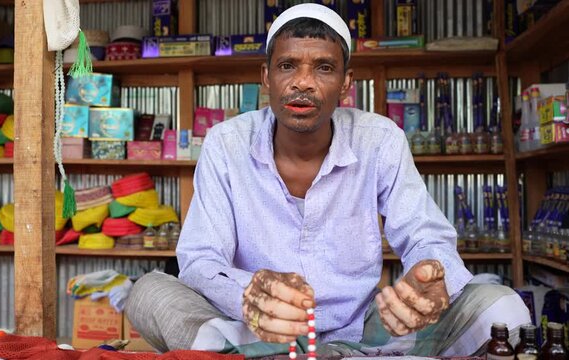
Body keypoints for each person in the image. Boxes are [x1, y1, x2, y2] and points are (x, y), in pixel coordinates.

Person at [125, 3, 530, 357]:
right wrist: (247, 297)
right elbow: (200, 259)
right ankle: (253, 349)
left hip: (367, 333)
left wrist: (429, 279)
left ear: (346, 83)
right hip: (257, 330)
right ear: (266, 76)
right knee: (147, 293)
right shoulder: (225, 144)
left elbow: (426, 236)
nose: (303, 82)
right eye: (287, 66)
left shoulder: (380, 138)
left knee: (502, 308)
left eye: (323, 67)